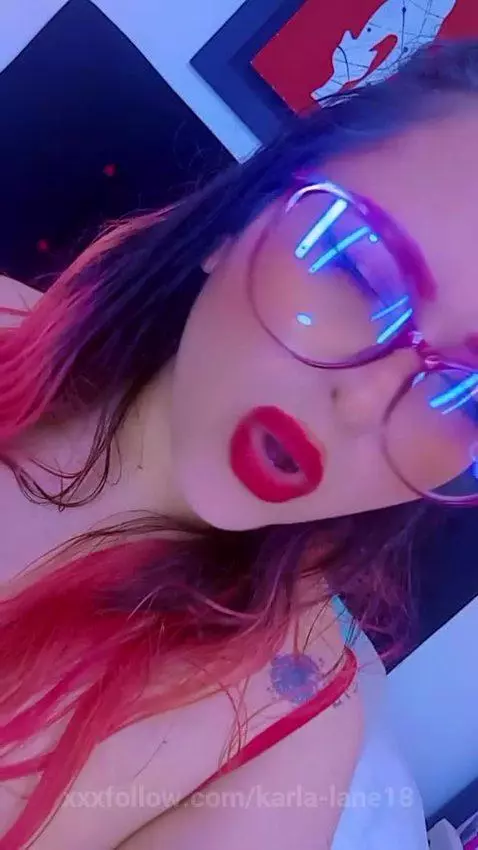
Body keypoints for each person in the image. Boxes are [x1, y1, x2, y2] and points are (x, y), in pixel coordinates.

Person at [1, 37, 478, 850]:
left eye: (464, 394)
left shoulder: (284, 743)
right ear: (241, 218)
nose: (364, 401)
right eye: (352, 269)